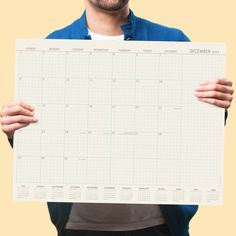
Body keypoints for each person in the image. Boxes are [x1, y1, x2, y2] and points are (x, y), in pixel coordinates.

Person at [0, 1, 234, 236]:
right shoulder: (51, 45)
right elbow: (46, 144)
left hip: (159, 226)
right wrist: (17, 131)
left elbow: (197, 136)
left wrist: (215, 107)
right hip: (78, 226)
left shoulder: (174, 41)